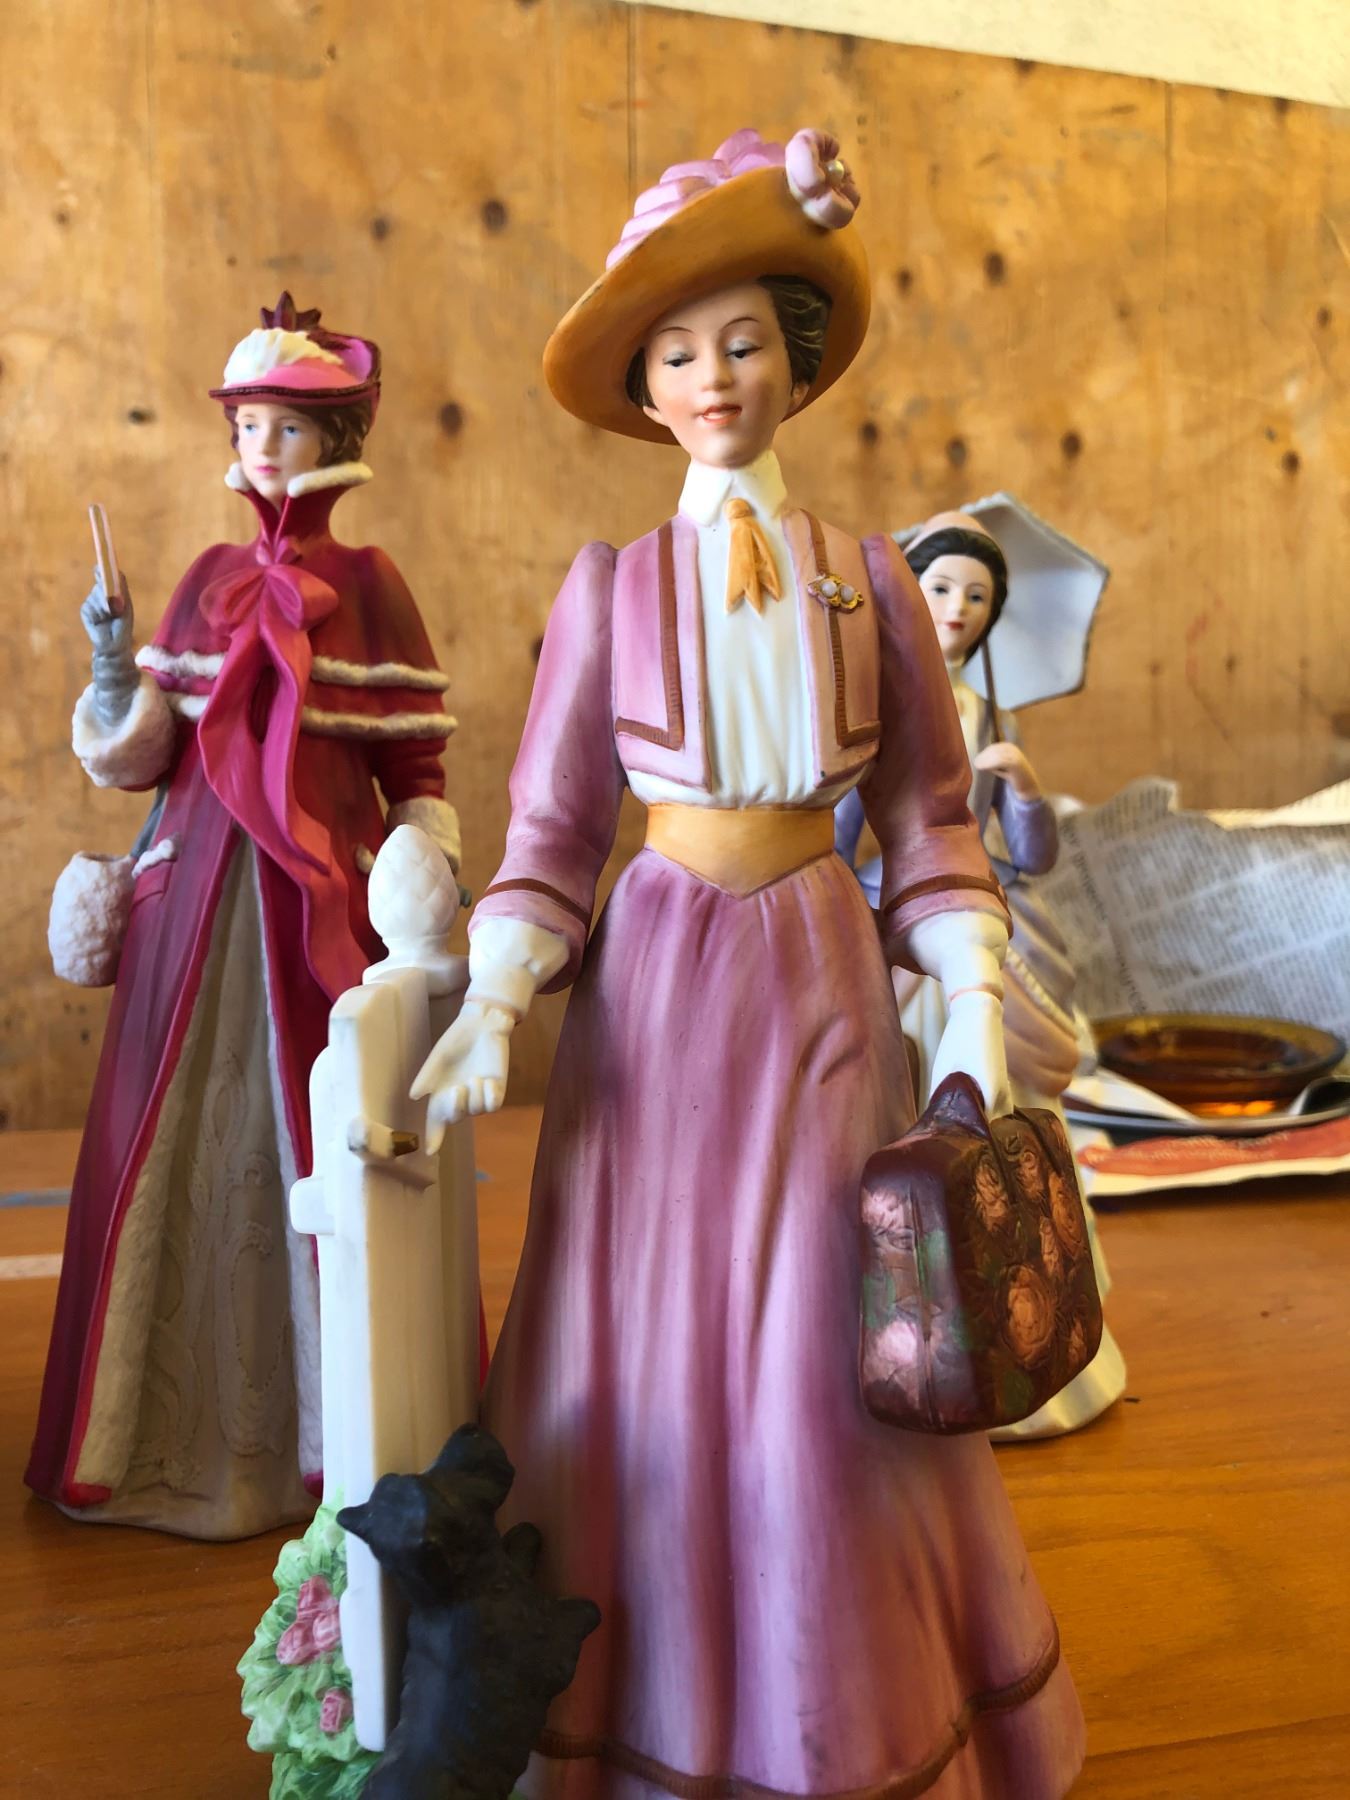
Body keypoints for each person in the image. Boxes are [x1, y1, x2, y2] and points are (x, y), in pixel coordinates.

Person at [415, 130, 1085, 1797]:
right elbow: (555, 825)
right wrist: (496, 994)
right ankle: (620, 1718)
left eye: (740, 343)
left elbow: (928, 819)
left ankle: (830, 1716)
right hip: (652, 994)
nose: (712, 377)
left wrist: (969, 1006)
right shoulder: (610, 590)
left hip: (817, 982)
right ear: (645, 392)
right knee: (633, 1333)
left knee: (812, 1346)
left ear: (795, 361)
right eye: (676, 353)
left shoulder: (875, 584)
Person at [28, 295, 461, 1539]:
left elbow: (415, 766)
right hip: (192, 903)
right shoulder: (206, 583)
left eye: (289, 427)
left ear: (335, 440)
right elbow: (143, 757)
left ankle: (331, 1444)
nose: (265, 448)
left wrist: (426, 880)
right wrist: (113, 664)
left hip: (318, 898)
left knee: (322, 1131)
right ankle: (146, 1434)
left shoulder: (373, 586)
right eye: (251, 426)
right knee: (170, 1138)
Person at [837, 509, 1127, 1438]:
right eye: (939, 587)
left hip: (986, 923)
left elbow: (1032, 859)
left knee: (1004, 1119)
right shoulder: (875, 705)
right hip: (898, 931)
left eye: (977, 595)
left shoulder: (993, 717)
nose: (957, 607)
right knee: (896, 1106)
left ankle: (1025, 1333)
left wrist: (1025, 788)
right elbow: (843, 841)